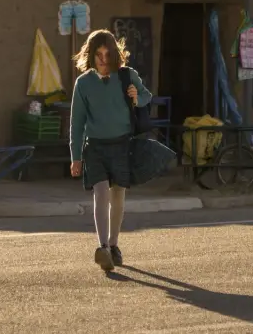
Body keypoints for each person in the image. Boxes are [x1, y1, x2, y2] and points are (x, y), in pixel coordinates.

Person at [70, 29, 176, 272]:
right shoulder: (83, 83)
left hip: (122, 144)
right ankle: (103, 247)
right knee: (100, 194)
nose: (103, 60)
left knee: (117, 195)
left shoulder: (127, 75)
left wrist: (136, 96)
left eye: (107, 54)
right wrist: (75, 157)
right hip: (95, 147)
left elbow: (147, 97)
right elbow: (76, 124)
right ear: (90, 55)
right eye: (98, 55)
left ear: (115, 54)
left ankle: (114, 244)